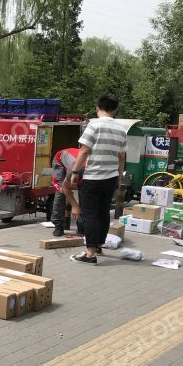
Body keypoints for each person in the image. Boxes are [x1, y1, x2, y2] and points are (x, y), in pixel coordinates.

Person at [69, 95, 127, 265]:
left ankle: (90, 254)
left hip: (93, 177)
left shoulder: (94, 125)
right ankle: (98, 245)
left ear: (97, 108)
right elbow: (122, 157)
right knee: (103, 213)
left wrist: (75, 171)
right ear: (115, 110)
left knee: (90, 215)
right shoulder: (121, 129)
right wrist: (119, 177)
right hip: (111, 178)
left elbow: (84, 151)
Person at [50, 147, 85, 237]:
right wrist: (75, 206)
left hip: (76, 165)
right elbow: (65, 187)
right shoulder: (77, 167)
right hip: (60, 161)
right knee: (61, 191)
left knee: (84, 193)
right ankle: (58, 225)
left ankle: (81, 226)